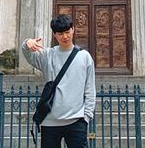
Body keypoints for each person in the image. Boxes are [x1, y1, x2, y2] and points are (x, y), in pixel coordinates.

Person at [22, 14, 96, 148]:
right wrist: (27, 43)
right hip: (50, 122)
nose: (65, 37)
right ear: (54, 35)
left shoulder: (84, 57)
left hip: (76, 121)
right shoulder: (47, 55)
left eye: (67, 32)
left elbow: (90, 89)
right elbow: (29, 56)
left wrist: (86, 117)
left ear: (73, 29)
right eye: (60, 33)